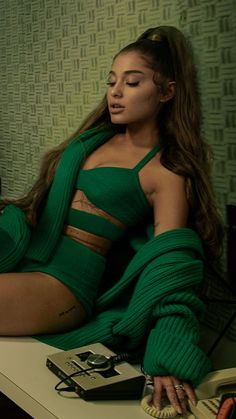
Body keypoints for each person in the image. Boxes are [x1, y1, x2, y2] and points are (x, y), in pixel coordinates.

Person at [0, 25, 224, 416]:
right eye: (112, 80)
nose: (115, 92)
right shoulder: (93, 140)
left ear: (167, 92)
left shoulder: (165, 170)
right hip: (34, 260)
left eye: (132, 82)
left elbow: (172, 263)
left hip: (65, 286)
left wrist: (167, 357)